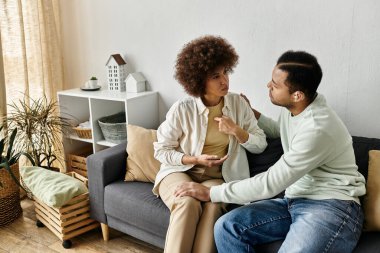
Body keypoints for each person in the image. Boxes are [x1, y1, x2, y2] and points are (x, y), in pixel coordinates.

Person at [174, 50, 366, 253]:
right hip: (295, 200)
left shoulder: (318, 128)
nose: (268, 86)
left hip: (332, 207)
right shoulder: (297, 109)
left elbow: (271, 182)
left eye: (275, 85)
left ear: (297, 95)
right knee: (227, 227)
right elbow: (280, 130)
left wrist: (211, 192)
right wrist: (252, 114)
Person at [152, 35, 268, 253]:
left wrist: (237, 130)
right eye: (215, 76)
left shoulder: (238, 105)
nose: (224, 80)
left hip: (218, 177)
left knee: (214, 205)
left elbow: (260, 143)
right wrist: (194, 159)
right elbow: (161, 149)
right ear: (198, 80)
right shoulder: (183, 109)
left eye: (225, 72)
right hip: (180, 171)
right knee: (187, 203)